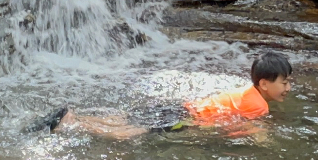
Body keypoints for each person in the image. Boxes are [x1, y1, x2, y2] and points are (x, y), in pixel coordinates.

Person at [26, 49, 292, 140]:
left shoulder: (246, 90)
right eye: (284, 82)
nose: (288, 88)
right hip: (184, 117)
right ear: (265, 84)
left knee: (127, 119)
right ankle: (73, 123)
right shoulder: (260, 107)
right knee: (131, 133)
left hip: (179, 107)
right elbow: (243, 130)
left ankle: (75, 116)